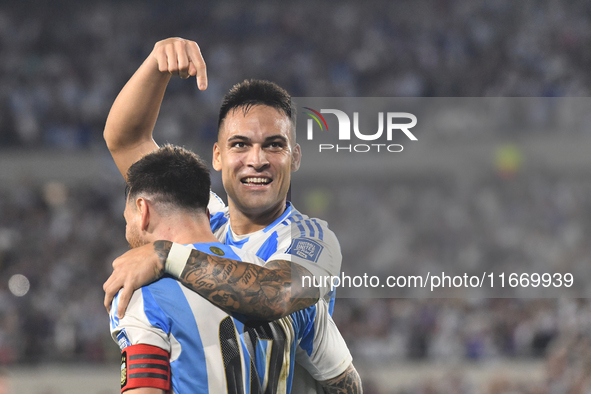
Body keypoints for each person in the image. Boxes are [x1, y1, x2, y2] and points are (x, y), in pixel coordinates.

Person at [102, 37, 351, 393]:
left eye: (273, 145)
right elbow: (126, 141)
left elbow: (274, 295)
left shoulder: (311, 240)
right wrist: (156, 66)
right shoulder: (209, 220)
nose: (256, 159)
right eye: (240, 144)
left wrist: (164, 254)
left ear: (295, 157)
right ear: (217, 156)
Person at [110, 144, 360, 393]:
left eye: (126, 220)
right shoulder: (285, 283)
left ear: (142, 211)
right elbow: (347, 385)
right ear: (207, 216)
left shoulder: (141, 295)